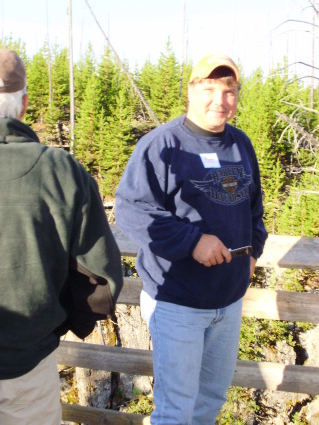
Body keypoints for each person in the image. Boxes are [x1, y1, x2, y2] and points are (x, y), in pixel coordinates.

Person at [115, 53, 268, 424]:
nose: (220, 100)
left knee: (210, 401)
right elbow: (131, 210)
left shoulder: (240, 144)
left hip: (228, 303)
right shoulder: (162, 144)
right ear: (191, 90)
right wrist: (192, 242)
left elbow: (254, 209)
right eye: (210, 89)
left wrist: (253, 254)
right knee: (175, 409)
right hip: (177, 303)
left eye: (229, 91)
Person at [0, 48, 123, 425]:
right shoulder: (58, 170)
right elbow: (98, 277)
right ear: (22, 105)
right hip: (27, 365)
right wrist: (63, 323)